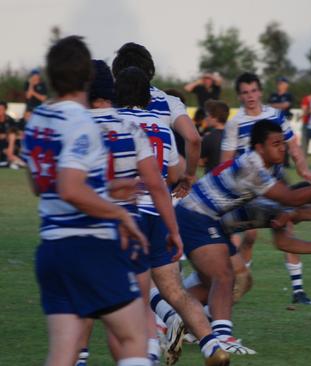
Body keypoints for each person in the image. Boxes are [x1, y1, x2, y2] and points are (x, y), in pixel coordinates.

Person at [21, 35, 150, 366]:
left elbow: (42, 186)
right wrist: (119, 215)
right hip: (89, 247)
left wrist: (106, 188)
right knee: (135, 336)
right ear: (87, 77)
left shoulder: (36, 122)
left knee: (64, 353)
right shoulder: (81, 122)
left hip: (51, 250)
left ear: (51, 76)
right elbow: (70, 189)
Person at [175, 120, 311, 353]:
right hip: (196, 215)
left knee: (228, 281)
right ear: (260, 148)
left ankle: (172, 320)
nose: (282, 148)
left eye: (283, 143)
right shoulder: (253, 168)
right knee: (223, 278)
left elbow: (291, 211)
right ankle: (220, 337)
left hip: (212, 220)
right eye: (276, 144)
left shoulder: (271, 169)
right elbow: (292, 201)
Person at [112, 67, 229, 365]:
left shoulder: (113, 123)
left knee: (136, 292)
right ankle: (212, 345)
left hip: (131, 216)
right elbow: (174, 173)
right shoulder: (160, 125)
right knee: (175, 291)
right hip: (160, 216)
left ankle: (148, 354)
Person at [221, 72, 311, 305]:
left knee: (286, 229)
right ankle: (239, 284)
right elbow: (225, 162)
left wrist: (305, 171)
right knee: (249, 237)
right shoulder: (234, 123)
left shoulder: (275, 115)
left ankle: (298, 290)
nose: (250, 96)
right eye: (245, 92)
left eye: (254, 91)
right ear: (239, 96)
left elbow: (294, 147)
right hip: (247, 187)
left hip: (276, 182)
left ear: (260, 92)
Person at [112, 42, 201, 199]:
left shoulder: (107, 101)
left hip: (118, 195)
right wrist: (188, 176)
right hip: (157, 195)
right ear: (149, 70)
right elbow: (193, 138)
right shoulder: (169, 101)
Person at [268, 76, 294, 167]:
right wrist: (280, 105)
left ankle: (285, 162)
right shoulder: (273, 95)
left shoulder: (288, 95)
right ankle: (275, 160)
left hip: (285, 120)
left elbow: (286, 105)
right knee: (274, 141)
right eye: (278, 83)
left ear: (286, 85)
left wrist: (275, 106)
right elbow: (270, 106)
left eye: (281, 83)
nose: (279, 85)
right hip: (274, 121)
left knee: (286, 142)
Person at [201, 99, 229, 173]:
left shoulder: (209, 137)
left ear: (215, 117)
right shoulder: (233, 135)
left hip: (212, 179)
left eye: (207, 115)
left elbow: (200, 161)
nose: (205, 118)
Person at [0, 100, 17, 167]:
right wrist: (6, 135)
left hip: (9, 144)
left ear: (5, 110)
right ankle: (12, 162)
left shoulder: (10, 120)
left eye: (1, 109)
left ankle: (9, 160)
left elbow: (15, 133)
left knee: (12, 137)